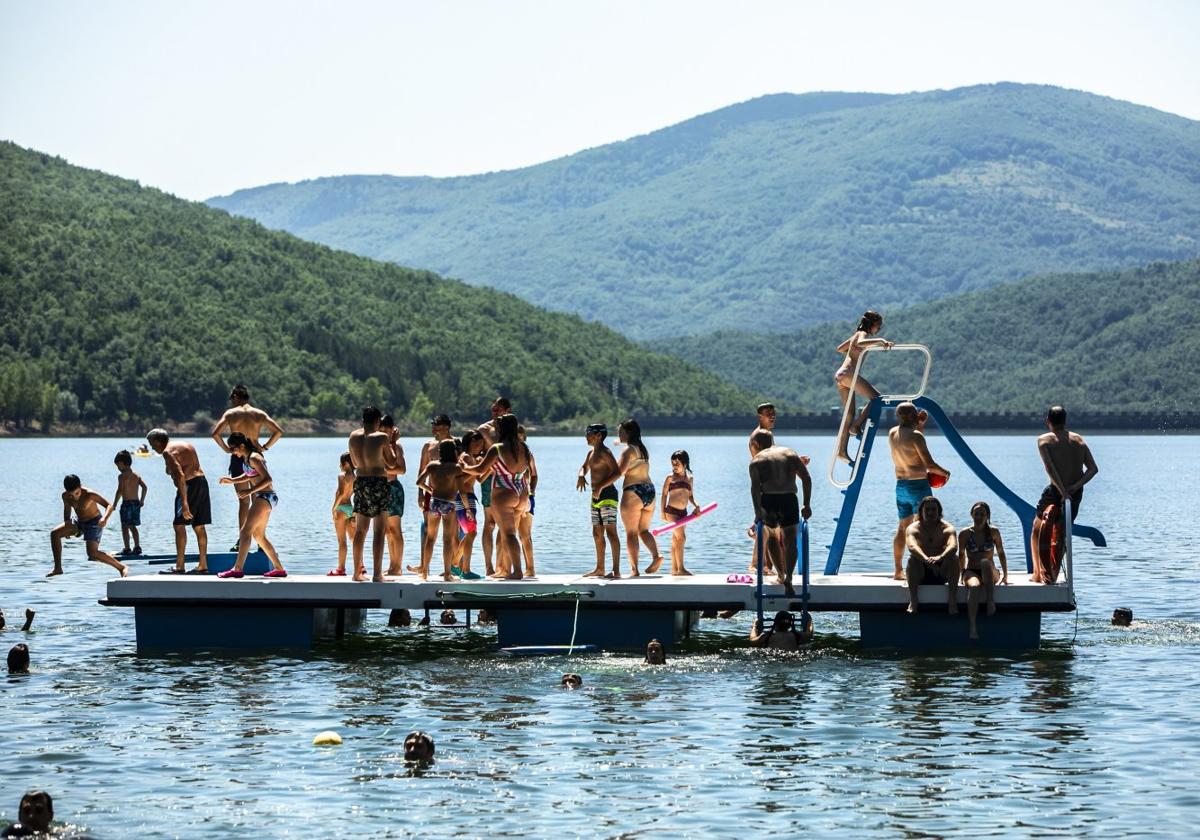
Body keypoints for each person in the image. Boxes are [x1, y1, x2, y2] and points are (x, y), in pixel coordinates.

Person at [209, 384, 284, 551]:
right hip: (256, 454)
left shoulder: (230, 414)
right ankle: (259, 540)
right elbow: (278, 431)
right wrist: (264, 447)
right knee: (260, 498)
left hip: (238, 459)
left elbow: (215, 434)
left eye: (231, 399)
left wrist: (227, 449)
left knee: (243, 502)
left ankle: (241, 540)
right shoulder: (259, 414)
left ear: (236, 396)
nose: (231, 402)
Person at [1032, 405, 1100, 582]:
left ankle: (1039, 574)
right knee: (1061, 533)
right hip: (1075, 493)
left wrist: (1062, 491)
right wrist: (1074, 487)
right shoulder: (1078, 440)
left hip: (1056, 491)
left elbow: (1050, 469)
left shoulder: (1044, 440)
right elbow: (1093, 469)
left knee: (1037, 529)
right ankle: (1052, 573)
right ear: (1065, 421)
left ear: (1048, 421)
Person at [888, 402, 951, 580]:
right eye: (916, 413)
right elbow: (929, 464)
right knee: (924, 527)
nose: (918, 415)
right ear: (911, 416)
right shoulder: (916, 436)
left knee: (902, 528)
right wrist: (946, 474)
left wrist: (919, 425)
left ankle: (898, 570)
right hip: (918, 486)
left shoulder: (892, 433)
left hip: (900, 486)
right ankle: (923, 570)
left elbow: (911, 446)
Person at [465, 413, 530, 580]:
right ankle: (506, 570)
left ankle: (517, 571)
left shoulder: (497, 448)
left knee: (508, 534)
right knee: (510, 534)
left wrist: (464, 466)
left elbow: (479, 470)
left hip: (503, 491)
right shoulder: (524, 447)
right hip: (522, 491)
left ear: (502, 429)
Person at [748, 431, 812, 597]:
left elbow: (755, 489)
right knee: (791, 541)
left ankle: (781, 575)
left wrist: (757, 512)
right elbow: (806, 477)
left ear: (756, 445)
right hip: (789, 499)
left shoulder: (756, 461)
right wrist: (806, 504)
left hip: (768, 500)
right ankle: (789, 577)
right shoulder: (790, 453)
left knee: (772, 537)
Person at [216, 432, 286, 578]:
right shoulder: (247, 458)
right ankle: (279, 568)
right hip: (265, 497)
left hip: (266, 496)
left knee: (244, 532)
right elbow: (249, 475)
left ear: (242, 446)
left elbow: (267, 479)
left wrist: (250, 491)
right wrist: (231, 480)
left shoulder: (255, 457)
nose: (233, 453)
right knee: (259, 536)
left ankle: (237, 569)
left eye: (234, 449)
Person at [147, 428, 211, 575]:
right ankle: (203, 565)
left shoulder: (167, 452)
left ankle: (179, 566)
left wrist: (185, 502)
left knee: (179, 525)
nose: (151, 447)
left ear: (157, 441)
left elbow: (181, 476)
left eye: (151, 444)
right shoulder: (182, 444)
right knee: (199, 525)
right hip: (202, 482)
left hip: (188, 486)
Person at [348, 406, 400, 582]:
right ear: (378, 421)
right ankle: (377, 574)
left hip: (361, 481)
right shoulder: (382, 437)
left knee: (360, 530)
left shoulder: (353, 436)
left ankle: (356, 572)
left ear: (363, 420)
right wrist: (392, 442)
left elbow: (354, 462)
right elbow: (392, 463)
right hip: (378, 481)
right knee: (379, 530)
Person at [834, 310, 894, 461]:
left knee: (848, 414)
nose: (878, 330)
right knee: (877, 398)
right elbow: (861, 342)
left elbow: (840, 348)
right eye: (878, 327)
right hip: (848, 374)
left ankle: (841, 451)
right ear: (872, 325)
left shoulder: (856, 334)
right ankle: (855, 426)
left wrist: (852, 348)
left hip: (840, 374)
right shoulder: (863, 335)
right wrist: (880, 341)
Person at [48, 475, 128, 578]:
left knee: (92, 553)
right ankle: (58, 568)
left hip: (94, 522)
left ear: (80, 487)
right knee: (54, 534)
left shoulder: (90, 494)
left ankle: (121, 567)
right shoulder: (65, 496)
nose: (75, 497)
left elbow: (109, 505)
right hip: (79, 521)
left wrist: (104, 518)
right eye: (71, 495)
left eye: (77, 493)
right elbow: (67, 509)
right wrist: (67, 522)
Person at [615, 419, 664, 576]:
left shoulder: (628, 450)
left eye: (621, 431)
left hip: (633, 491)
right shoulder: (642, 450)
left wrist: (601, 482)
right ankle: (656, 556)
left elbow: (619, 472)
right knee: (643, 530)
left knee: (631, 533)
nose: (618, 434)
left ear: (628, 433)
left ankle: (634, 570)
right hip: (649, 490)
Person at [414, 440, 466, 581]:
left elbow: (419, 482)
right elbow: (462, 490)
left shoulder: (432, 466)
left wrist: (429, 490)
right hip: (449, 504)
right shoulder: (456, 468)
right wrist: (467, 508)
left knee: (430, 539)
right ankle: (447, 574)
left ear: (440, 452)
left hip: (434, 503)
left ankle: (424, 572)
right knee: (447, 540)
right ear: (454, 452)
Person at [577, 423, 622, 578]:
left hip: (608, 495)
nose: (586, 436)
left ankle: (616, 570)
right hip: (595, 497)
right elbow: (583, 467)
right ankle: (600, 568)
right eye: (586, 432)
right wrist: (581, 475)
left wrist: (600, 487)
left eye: (589, 433)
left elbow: (617, 473)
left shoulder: (605, 452)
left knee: (611, 533)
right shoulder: (591, 453)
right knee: (597, 533)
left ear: (599, 436)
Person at [958, 501, 1008, 639]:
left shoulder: (994, 532)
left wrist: (1005, 575)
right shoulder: (965, 534)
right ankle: (973, 627)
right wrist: (961, 574)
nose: (979, 516)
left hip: (990, 572)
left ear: (987, 516)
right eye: (976, 513)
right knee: (974, 587)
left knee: (985, 562)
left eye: (982, 514)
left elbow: (1001, 553)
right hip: (972, 571)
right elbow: (961, 555)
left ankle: (990, 601)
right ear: (971, 515)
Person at [904, 496, 959, 615]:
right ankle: (913, 600)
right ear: (921, 512)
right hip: (921, 571)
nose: (930, 512)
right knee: (911, 560)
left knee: (954, 559)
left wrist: (940, 558)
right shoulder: (913, 528)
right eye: (927, 509)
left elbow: (953, 546)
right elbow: (912, 547)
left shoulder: (947, 528)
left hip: (941, 570)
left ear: (939, 511)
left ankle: (952, 600)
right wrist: (926, 560)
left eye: (933, 509)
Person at [475, 397, 510, 576]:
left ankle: (501, 565)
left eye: (499, 409)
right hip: (489, 477)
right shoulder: (484, 429)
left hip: (507, 477)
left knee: (505, 524)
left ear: (507, 410)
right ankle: (489, 566)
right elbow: (473, 449)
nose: (495, 412)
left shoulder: (511, 428)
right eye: (493, 410)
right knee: (489, 524)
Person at [660, 450, 701, 576]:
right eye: (673, 464)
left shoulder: (690, 478)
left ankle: (674, 569)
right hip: (671, 512)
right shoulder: (670, 478)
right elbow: (664, 495)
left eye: (677, 463)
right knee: (681, 538)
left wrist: (697, 505)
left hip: (683, 513)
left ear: (685, 463)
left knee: (675, 539)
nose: (674, 466)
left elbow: (690, 496)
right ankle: (681, 569)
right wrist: (662, 512)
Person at [452, 431, 486, 578]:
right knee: (471, 533)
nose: (479, 446)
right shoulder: (465, 457)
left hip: (470, 498)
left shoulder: (471, 458)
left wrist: (488, 467)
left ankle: (454, 564)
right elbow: (459, 481)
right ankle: (465, 570)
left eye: (481, 444)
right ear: (470, 442)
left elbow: (479, 479)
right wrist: (467, 508)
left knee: (470, 533)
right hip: (464, 498)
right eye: (477, 443)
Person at [379, 415, 408, 576]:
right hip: (381, 488)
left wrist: (381, 471)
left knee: (395, 529)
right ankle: (392, 565)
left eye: (387, 428)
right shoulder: (377, 444)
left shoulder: (397, 446)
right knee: (387, 530)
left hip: (393, 488)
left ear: (392, 429)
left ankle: (398, 566)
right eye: (381, 428)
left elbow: (401, 470)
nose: (384, 431)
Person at [107, 450, 147, 557]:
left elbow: (120, 490)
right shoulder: (136, 475)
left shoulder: (122, 476)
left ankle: (127, 548)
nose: (118, 468)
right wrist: (142, 500)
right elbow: (145, 487)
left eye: (118, 465)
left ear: (123, 463)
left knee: (125, 527)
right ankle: (137, 547)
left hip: (126, 504)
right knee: (133, 526)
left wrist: (114, 504)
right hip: (136, 504)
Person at [328, 452, 357, 576]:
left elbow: (340, 493)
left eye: (340, 463)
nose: (339, 466)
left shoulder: (342, 475)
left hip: (341, 508)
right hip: (350, 508)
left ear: (345, 464)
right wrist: (355, 513)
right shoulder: (356, 477)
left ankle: (341, 569)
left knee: (342, 542)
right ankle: (360, 566)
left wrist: (334, 508)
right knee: (354, 540)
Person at [517, 424, 538, 578]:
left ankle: (530, 568)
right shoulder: (509, 452)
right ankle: (520, 568)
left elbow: (534, 474)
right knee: (516, 535)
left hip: (526, 496)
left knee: (525, 534)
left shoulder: (527, 453)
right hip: (514, 496)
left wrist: (532, 491)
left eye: (520, 434)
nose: (518, 437)